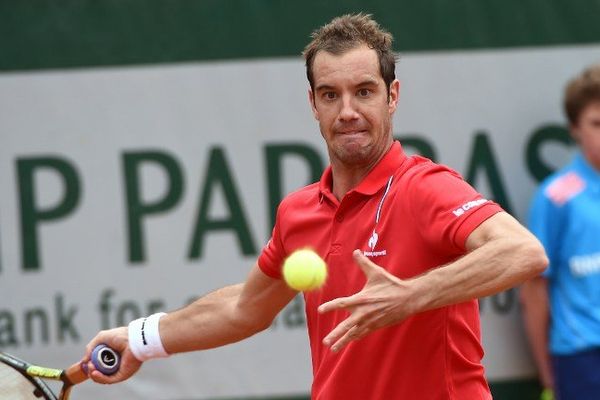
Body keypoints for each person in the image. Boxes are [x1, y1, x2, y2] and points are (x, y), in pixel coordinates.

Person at [84, 13, 547, 399]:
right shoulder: (298, 211)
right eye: (331, 95)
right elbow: (245, 308)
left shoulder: (426, 188)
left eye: (364, 91)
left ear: (393, 96)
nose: (347, 111)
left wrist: (409, 297)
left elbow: (523, 252)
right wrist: (141, 339)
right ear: (313, 104)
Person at [520, 64, 600, 400]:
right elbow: (533, 291)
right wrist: (550, 378)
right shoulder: (555, 198)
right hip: (581, 360)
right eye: (597, 123)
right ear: (574, 130)